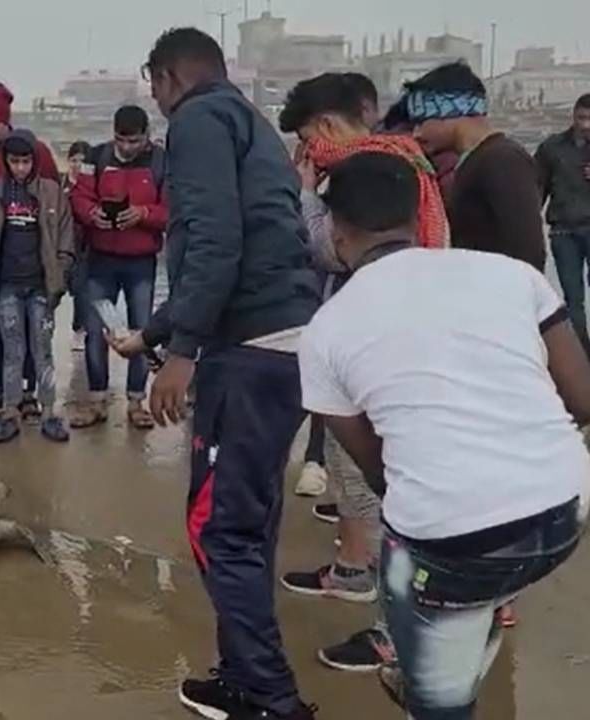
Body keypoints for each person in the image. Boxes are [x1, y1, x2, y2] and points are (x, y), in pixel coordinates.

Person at [300, 151, 590, 720]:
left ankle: (435, 687)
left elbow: (378, 470)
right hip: (566, 507)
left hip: (452, 542)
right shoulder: (510, 274)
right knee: (480, 571)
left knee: (435, 678)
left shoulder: (325, 331)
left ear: (336, 231)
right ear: (416, 214)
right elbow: (583, 399)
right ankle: (467, 629)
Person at [122, 28, 321, 719]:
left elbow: (214, 241)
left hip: (249, 347)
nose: (153, 96)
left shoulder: (200, 118)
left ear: (171, 74)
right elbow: (243, 241)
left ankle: (269, 697)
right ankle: (241, 675)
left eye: (153, 82)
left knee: (220, 528)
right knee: (249, 521)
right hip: (286, 341)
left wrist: (181, 356)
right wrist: (152, 332)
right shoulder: (248, 122)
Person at [277, 71, 449, 674]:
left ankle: (394, 634)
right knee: (381, 484)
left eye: (307, 139)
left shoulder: (361, 170)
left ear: (324, 128)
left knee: (386, 487)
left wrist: (303, 191)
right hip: (411, 336)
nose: (309, 152)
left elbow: (327, 248)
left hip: (379, 347)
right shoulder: (410, 162)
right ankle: (365, 581)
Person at [0, 83, 60, 421]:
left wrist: (60, 264)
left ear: (8, 122)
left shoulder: (38, 153)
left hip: (32, 262)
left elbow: (55, 207)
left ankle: (30, 393)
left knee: (34, 333)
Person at [70, 105, 168, 431]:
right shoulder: (95, 158)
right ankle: (97, 399)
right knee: (95, 330)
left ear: (147, 137)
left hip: (141, 261)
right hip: (101, 260)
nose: (127, 148)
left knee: (142, 331)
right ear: (113, 135)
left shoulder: (160, 162)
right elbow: (79, 197)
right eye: (121, 140)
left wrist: (143, 214)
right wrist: (91, 213)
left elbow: (172, 209)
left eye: (134, 141)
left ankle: (137, 401)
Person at [403, 61, 546, 270]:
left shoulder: (503, 159)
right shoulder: (475, 160)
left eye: (421, 121)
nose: (416, 134)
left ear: (451, 112)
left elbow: (527, 247)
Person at [0, 132, 75, 444]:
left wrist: (60, 272)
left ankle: (49, 413)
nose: (20, 168)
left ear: (34, 161)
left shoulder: (51, 192)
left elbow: (65, 235)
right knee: (12, 352)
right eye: (14, 161)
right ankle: (10, 413)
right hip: (8, 285)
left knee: (43, 350)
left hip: (40, 287)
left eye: (25, 161)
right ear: (5, 162)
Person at [537, 93, 590, 355]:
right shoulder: (552, 148)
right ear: (573, 116)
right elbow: (537, 189)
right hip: (563, 231)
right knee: (572, 299)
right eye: (581, 118)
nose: (586, 125)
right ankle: (582, 354)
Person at [63, 140, 93, 352]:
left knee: (82, 291)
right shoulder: (60, 184)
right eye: (73, 160)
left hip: (85, 246)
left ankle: (80, 330)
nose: (76, 165)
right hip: (63, 244)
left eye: (81, 161)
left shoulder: (92, 184)